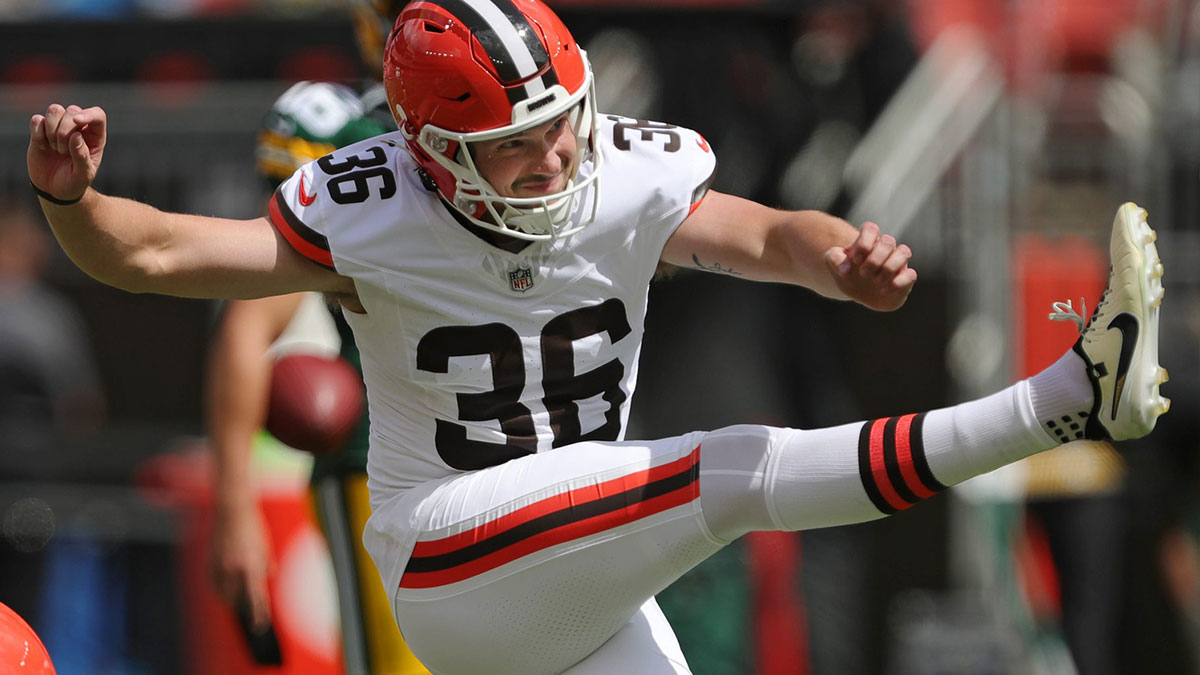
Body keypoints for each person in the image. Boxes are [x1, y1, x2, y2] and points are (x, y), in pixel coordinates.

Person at [26, 1, 1169, 672]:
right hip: (448, 555)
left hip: (578, 570)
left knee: (697, 475)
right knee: (727, 467)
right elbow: (160, 254)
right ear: (432, 153)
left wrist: (839, 258)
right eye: (516, 144)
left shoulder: (621, 166)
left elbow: (765, 233)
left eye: (560, 122)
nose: (556, 157)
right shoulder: (371, 206)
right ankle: (1068, 392)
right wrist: (75, 202)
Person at [205, 3, 430, 673]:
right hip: (388, 465)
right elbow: (252, 316)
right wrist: (235, 505)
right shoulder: (344, 134)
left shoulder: (537, 126)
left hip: (521, 453)